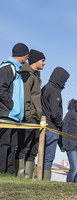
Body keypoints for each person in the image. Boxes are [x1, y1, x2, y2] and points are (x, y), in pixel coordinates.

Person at [15, 49, 46, 178]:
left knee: (33, 150)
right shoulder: (27, 75)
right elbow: (26, 97)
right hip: (29, 118)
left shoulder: (36, 76)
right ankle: (20, 175)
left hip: (36, 118)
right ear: (35, 61)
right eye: (43, 60)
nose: (44, 63)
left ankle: (28, 177)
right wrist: (28, 116)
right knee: (24, 147)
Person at [0, 43, 29, 174]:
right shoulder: (8, 68)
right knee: (4, 145)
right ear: (23, 55)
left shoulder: (16, 70)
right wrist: (10, 106)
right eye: (27, 55)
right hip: (6, 114)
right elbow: (1, 89)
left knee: (12, 146)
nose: (28, 57)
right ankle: (2, 173)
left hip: (14, 116)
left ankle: (9, 173)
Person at [41, 67, 70, 180]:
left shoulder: (45, 87)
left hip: (43, 126)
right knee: (49, 158)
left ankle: (39, 178)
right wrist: (60, 124)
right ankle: (45, 180)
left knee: (42, 156)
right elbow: (55, 113)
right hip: (52, 128)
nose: (64, 84)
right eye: (64, 80)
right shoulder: (55, 90)